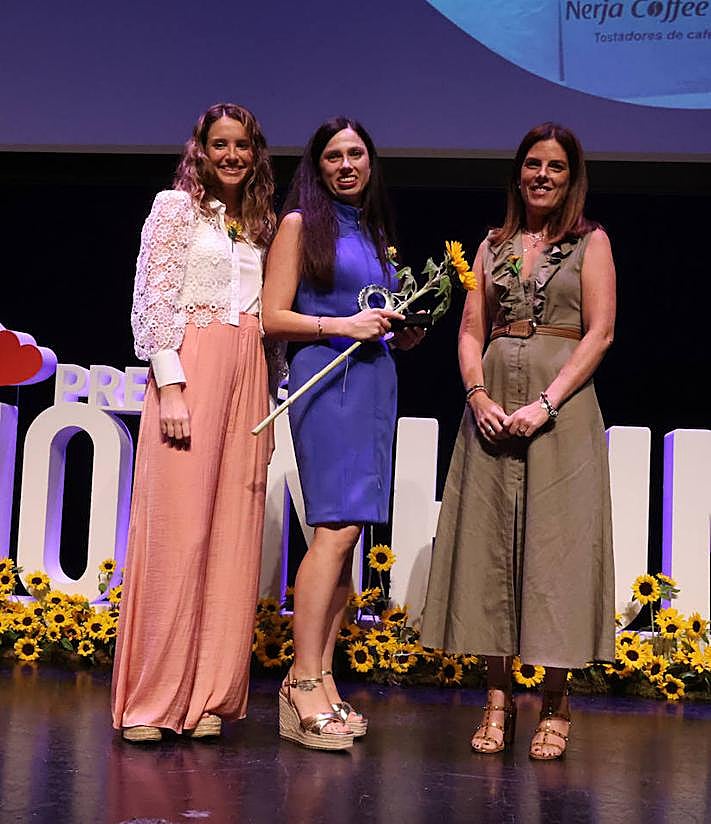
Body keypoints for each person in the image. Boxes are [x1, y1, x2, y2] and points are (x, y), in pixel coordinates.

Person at [421, 122, 616, 760]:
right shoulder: (490, 245)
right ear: (518, 172)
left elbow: (600, 333)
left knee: (554, 550)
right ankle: (497, 697)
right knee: (490, 551)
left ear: (571, 175)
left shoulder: (592, 242)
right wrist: (476, 394)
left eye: (555, 166)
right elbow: (471, 329)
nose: (542, 175)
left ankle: (557, 703)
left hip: (559, 411)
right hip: (491, 409)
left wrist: (545, 402)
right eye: (533, 164)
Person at [112, 103, 277, 742]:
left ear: (254, 152)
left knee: (232, 533)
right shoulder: (175, 209)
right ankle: (152, 703)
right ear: (201, 151)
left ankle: (209, 696)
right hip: (192, 364)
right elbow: (152, 298)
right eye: (220, 144)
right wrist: (172, 385)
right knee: (177, 534)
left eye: (243, 145)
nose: (232, 155)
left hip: (250, 371)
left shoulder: (260, 224)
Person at [262, 117, 423, 750]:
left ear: (371, 163)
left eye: (357, 154)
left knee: (350, 532)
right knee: (331, 529)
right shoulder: (301, 226)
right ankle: (300, 681)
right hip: (325, 385)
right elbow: (273, 318)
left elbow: (376, 317)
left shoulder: (377, 232)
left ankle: (324, 676)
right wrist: (344, 327)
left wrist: (400, 330)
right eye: (334, 156)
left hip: (374, 384)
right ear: (318, 166)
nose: (347, 165)